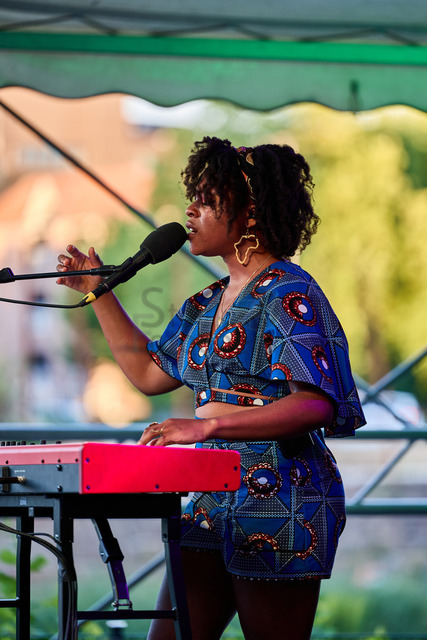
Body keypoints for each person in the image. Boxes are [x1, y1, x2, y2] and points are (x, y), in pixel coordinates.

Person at [56, 137, 365, 640]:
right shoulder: (205, 303)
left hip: (281, 494)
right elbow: (149, 374)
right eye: (192, 198)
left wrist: (207, 427)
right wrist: (99, 291)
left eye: (207, 199)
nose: (190, 210)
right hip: (211, 498)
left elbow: (315, 404)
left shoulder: (290, 291)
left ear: (249, 212)